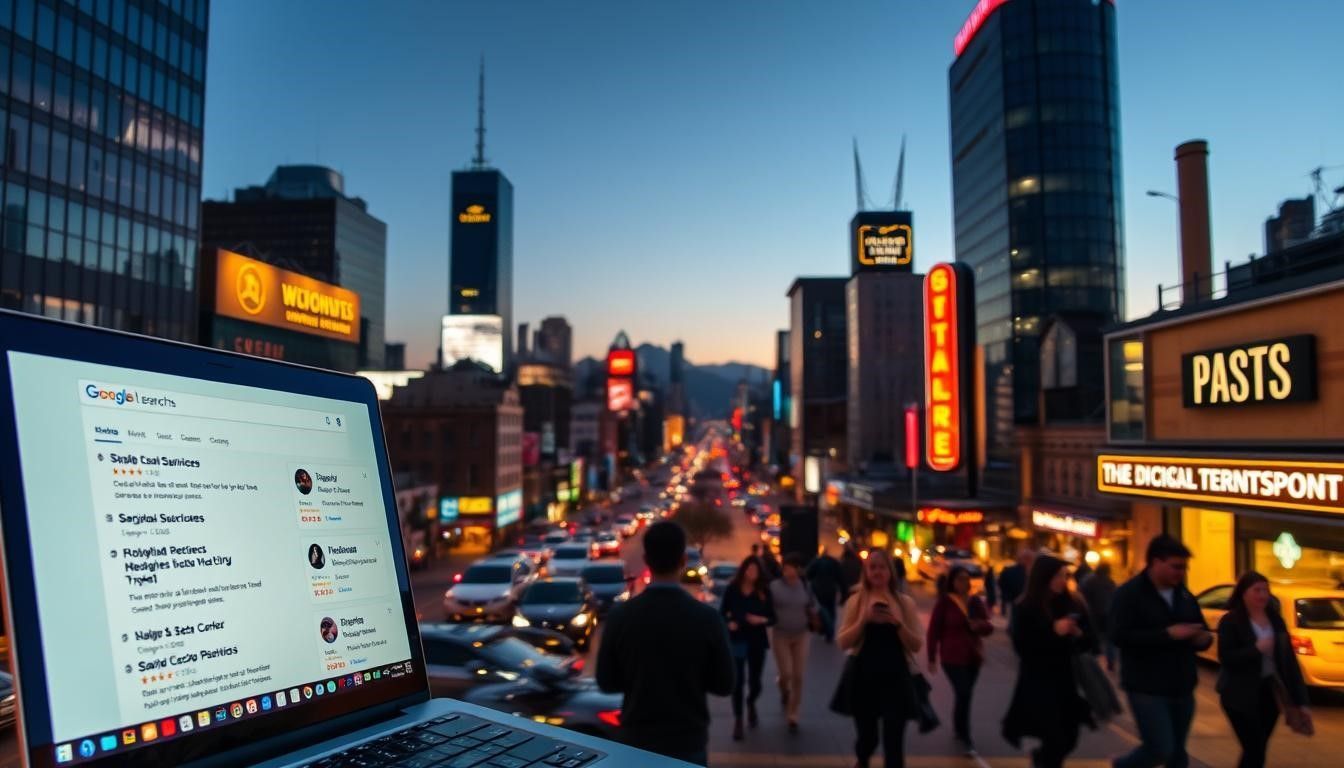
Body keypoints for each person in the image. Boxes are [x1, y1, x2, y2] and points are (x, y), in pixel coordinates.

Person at [597, 520, 735, 766]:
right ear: (683, 561)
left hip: (637, 741)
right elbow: (725, 684)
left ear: (647, 559)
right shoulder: (707, 618)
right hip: (687, 743)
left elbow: (606, 682)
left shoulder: (621, 616)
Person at [1110, 535, 1213, 768]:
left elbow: (1199, 628)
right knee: (1160, 748)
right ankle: (1122, 765)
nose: (1181, 572)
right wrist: (1167, 635)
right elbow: (1118, 636)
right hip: (1147, 687)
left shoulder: (1184, 595)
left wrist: (1203, 638)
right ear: (1156, 562)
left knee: (1177, 753)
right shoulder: (1129, 594)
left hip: (1182, 685)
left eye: (1184, 567)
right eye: (1176, 566)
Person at [1002, 555, 1097, 768]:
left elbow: (1091, 642)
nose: (1062, 580)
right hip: (1039, 684)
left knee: (1070, 738)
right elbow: (1023, 648)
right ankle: (1044, 761)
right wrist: (1053, 631)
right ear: (1043, 577)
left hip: (1068, 683)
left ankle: (1041, 759)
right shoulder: (1026, 607)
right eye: (1057, 576)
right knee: (1055, 739)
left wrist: (1079, 634)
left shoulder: (1073, 603)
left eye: (1065, 575)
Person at [837, 550, 923, 768]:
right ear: (865, 572)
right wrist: (864, 620)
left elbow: (916, 645)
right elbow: (843, 642)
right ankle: (862, 760)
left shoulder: (905, 603)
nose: (877, 572)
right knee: (868, 739)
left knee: (894, 743)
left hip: (896, 679)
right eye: (872, 567)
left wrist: (897, 624)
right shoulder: (856, 601)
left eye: (882, 567)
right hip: (863, 678)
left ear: (890, 572)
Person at [1216, 572, 1310, 768]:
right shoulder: (1230, 621)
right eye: (1257, 590)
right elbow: (1227, 658)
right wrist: (1256, 649)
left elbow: (1289, 663)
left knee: (1257, 750)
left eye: (1265, 590)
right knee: (1254, 749)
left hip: (1268, 693)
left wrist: (1301, 701)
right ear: (1243, 593)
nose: (1262, 595)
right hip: (1238, 695)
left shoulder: (1276, 621)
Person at [927, 565, 994, 753]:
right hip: (951, 657)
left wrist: (979, 625)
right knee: (964, 692)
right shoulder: (945, 602)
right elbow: (934, 630)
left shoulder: (975, 602)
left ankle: (958, 726)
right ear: (952, 581)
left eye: (966, 578)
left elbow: (989, 627)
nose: (964, 582)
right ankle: (966, 736)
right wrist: (932, 656)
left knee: (965, 694)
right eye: (960, 579)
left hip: (973, 656)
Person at [720, 556, 776, 741]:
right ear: (744, 570)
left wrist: (762, 620)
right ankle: (738, 719)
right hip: (737, 640)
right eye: (749, 569)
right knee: (737, 682)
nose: (751, 573)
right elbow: (722, 613)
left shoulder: (764, 591)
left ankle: (751, 702)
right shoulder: (732, 590)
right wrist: (729, 623)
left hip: (757, 640)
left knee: (755, 681)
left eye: (755, 571)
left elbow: (773, 617)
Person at [770, 554, 815, 733]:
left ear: (798, 569)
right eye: (785, 567)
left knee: (798, 676)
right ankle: (783, 688)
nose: (788, 570)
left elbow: (812, 604)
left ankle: (793, 713)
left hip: (801, 635)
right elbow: (766, 606)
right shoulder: (774, 587)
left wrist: (815, 615)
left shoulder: (805, 586)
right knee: (786, 673)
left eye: (791, 567)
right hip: (780, 635)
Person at [1079, 562, 1118, 671]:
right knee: (1109, 639)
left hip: (1094, 614)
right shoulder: (1110, 582)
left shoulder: (1090, 581)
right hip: (1108, 613)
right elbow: (1115, 597)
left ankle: (1094, 661)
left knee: (1094, 637)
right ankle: (1111, 662)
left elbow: (1083, 595)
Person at [805, 546, 845, 642]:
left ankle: (828, 630)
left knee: (823, 610)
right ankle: (829, 631)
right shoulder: (834, 563)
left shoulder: (816, 562)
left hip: (818, 590)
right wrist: (844, 592)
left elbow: (808, 574)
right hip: (831, 589)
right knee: (831, 611)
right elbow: (841, 578)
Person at [997, 548, 1034, 619]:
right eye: (1031, 559)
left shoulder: (1007, 571)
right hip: (1019, 605)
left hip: (1010, 602)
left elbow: (1001, 584)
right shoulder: (1029, 573)